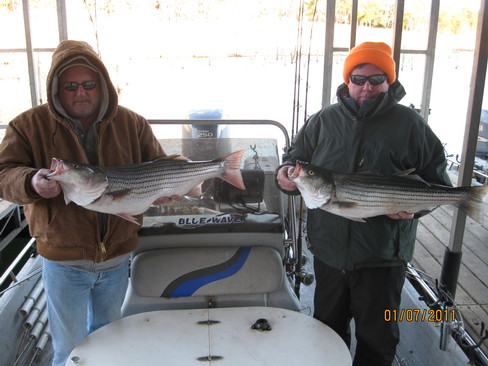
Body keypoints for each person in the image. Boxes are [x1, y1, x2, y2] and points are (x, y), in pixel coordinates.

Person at [276, 42, 451, 365]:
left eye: (376, 78)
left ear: (390, 82)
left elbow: (439, 183)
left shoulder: (411, 125)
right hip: (329, 252)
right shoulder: (323, 120)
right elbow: (294, 161)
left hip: (383, 257)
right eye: (358, 79)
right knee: (326, 332)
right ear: (347, 82)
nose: (366, 87)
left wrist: (416, 208)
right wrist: (285, 175)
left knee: (378, 338)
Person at [0, 40, 172, 366]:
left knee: (107, 342)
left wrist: (161, 191)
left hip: (117, 260)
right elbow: (3, 174)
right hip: (64, 264)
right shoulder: (27, 126)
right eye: (70, 86)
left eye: (89, 84)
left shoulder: (132, 124)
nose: (81, 93)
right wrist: (31, 182)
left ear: (102, 84)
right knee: (69, 351)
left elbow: (158, 166)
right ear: (56, 88)